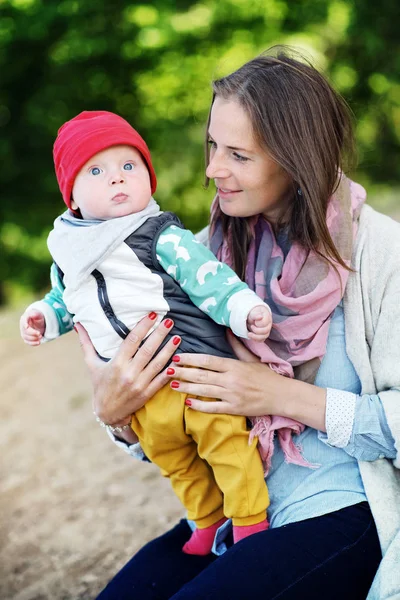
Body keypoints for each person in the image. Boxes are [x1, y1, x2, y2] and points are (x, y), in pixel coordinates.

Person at [69, 48, 399, 599]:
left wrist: (279, 395)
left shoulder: (380, 254)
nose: (212, 170)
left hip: (342, 513)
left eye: (238, 155)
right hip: (235, 511)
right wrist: (116, 414)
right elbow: (169, 420)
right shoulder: (195, 258)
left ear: (296, 160)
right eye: (212, 146)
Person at [20, 109, 278, 555]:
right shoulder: (69, 255)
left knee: (225, 443)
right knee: (173, 459)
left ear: (148, 178)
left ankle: (250, 520)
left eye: (128, 166)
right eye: (97, 171)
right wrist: (45, 316)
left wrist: (243, 309)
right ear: (73, 199)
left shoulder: (159, 234)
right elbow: (68, 302)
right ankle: (207, 519)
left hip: (193, 368)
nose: (117, 179)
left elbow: (208, 277)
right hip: (141, 394)